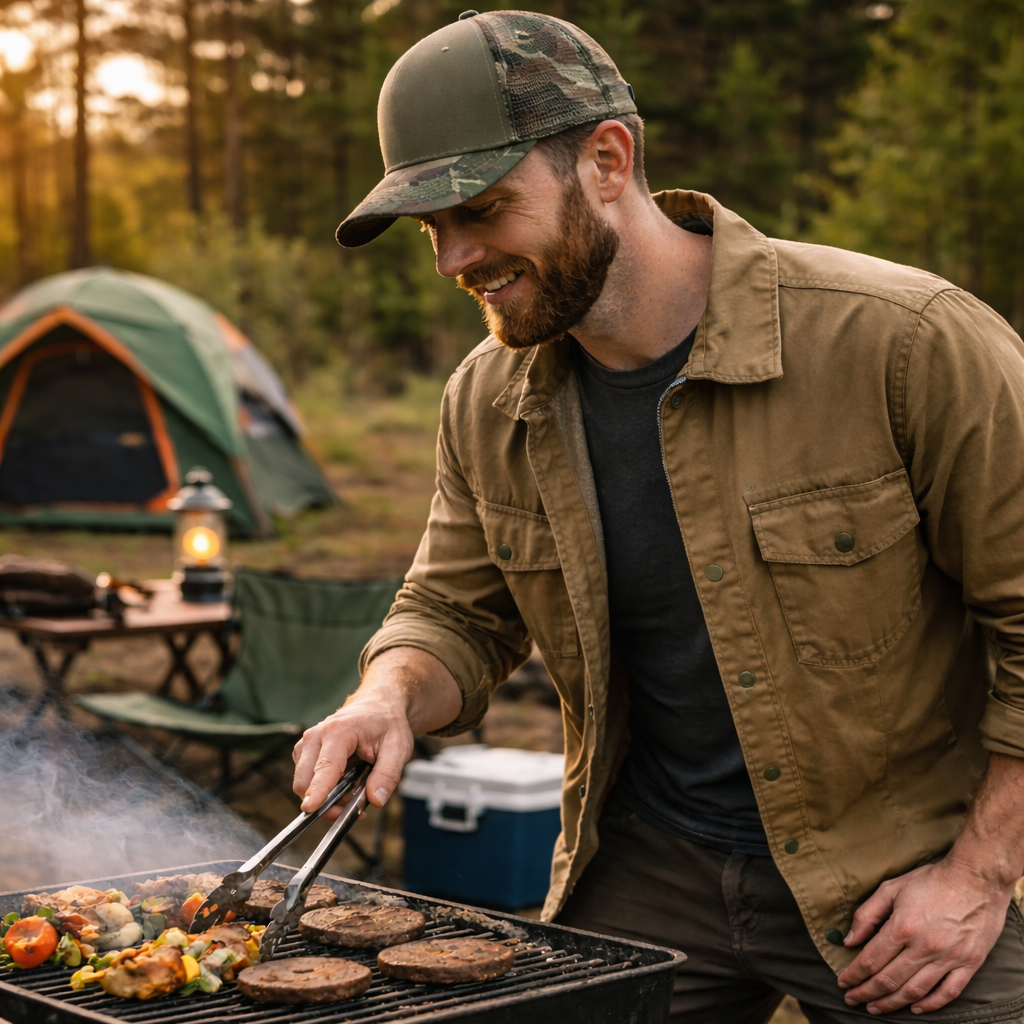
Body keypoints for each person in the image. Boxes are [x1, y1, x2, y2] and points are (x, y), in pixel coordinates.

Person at [292, 10, 1024, 1023]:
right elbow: (456, 610)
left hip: (900, 870)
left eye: (484, 209)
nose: (452, 259)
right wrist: (385, 696)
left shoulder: (905, 345)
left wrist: (979, 873)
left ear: (606, 159)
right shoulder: (485, 397)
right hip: (645, 866)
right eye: (431, 228)